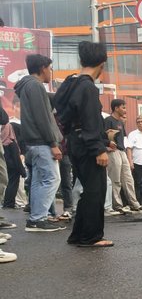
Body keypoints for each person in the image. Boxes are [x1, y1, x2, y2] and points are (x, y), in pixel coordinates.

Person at [55, 41, 113, 247]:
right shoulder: (87, 87)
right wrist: (99, 148)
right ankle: (91, 237)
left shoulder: (71, 83)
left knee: (88, 190)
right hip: (87, 144)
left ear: (81, 60)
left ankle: (78, 235)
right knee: (96, 191)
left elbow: (63, 114)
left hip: (75, 142)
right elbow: (90, 120)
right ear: (102, 64)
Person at [14, 54, 64, 232]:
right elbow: (42, 118)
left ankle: (36, 218)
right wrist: (53, 143)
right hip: (42, 141)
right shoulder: (35, 86)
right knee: (51, 178)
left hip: (32, 142)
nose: (50, 72)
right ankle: (38, 218)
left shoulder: (27, 86)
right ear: (43, 68)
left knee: (38, 180)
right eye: (50, 68)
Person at [104, 99, 142, 213]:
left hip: (122, 151)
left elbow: (123, 138)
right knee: (115, 179)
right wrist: (107, 146)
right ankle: (117, 205)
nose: (125, 110)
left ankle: (134, 203)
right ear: (116, 108)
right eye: (123, 107)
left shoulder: (120, 122)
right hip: (113, 152)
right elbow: (104, 136)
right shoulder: (108, 120)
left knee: (128, 179)